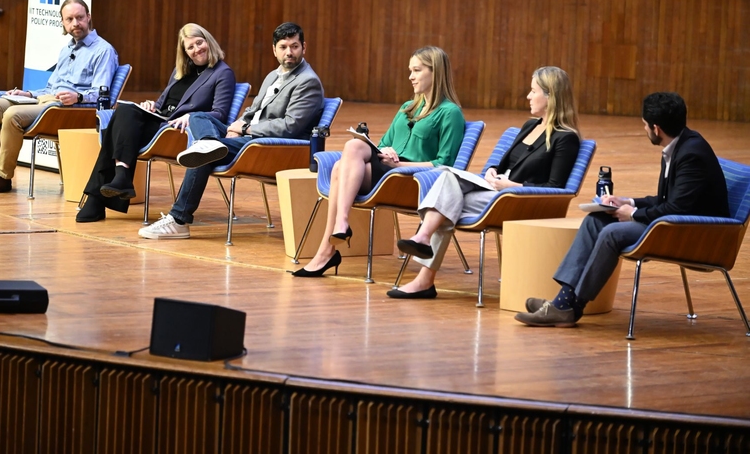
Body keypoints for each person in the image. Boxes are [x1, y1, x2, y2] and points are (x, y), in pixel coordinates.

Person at [514, 92, 730, 327]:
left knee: (612, 233)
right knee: (596, 220)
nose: (645, 130)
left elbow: (677, 208)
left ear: (656, 129)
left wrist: (633, 215)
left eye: (645, 126)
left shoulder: (691, 155)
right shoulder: (679, 146)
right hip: (674, 221)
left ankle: (570, 306)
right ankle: (563, 301)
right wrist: (629, 202)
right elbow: (668, 200)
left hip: (695, 234)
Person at [389, 66, 582, 299]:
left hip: (518, 200)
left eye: (533, 91)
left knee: (444, 203)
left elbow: (556, 187)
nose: (528, 96)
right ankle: (423, 252)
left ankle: (424, 263)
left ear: (551, 95)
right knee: (448, 178)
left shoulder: (566, 137)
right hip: (495, 191)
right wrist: (491, 171)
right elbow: (502, 165)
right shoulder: (530, 125)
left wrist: (511, 187)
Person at [138, 21, 324, 239]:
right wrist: (237, 126)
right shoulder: (273, 75)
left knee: (203, 154)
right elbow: (253, 110)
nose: (289, 52)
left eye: (294, 46)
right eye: (283, 47)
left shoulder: (307, 81)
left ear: (304, 47)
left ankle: (178, 220)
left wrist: (245, 128)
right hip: (249, 136)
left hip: (273, 146)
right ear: (274, 50)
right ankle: (208, 141)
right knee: (198, 116)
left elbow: (290, 126)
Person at [293, 46, 466, 278]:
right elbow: (383, 143)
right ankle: (337, 232)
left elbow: (445, 165)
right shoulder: (408, 107)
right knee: (348, 153)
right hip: (387, 170)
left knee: (342, 162)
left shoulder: (450, 113)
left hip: (410, 179)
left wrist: (400, 166)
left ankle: (330, 243)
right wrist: (387, 149)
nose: (410, 77)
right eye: (410, 70)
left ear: (435, 72)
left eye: (416, 70)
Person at [76, 23, 236, 222]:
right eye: (190, 47)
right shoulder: (180, 71)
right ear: (185, 52)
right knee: (125, 111)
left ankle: (102, 194)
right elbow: (162, 104)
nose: (197, 50)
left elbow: (220, 114)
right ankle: (117, 180)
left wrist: (191, 116)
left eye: (199, 43)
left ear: (208, 41)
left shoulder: (222, 72)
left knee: (122, 118)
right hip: (161, 121)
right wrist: (152, 105)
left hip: (180, 130)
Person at [0, 0, 118, 194]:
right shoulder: (66, 49)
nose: (75, 23)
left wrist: (77, 97)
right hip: (48, 102)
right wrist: (28, 93)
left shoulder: (103, 51)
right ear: (63, 22)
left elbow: (102, 94)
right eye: (69, 19)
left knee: (12, 115)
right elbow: (51, 88)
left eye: (79, 17)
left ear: (89, 17)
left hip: (69, 109)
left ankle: (2, 177)